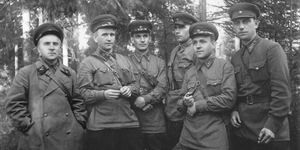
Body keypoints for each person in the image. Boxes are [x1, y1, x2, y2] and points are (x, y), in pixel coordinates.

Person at [5, 23, 87, 150]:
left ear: (60, 47)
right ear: (38, 48)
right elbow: (13, 103)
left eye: (55, 44)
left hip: (69, 138)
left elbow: (78, 102)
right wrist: (28, 127)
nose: (52, 47)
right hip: (38, 138)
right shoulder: (26, 73)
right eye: (46, 44)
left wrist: (79, 123)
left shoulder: (70, 73)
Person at [228, 3, 291, 150]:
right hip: (243, 129)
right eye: (237, 23)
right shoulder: (235, 57)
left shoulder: (272, 49)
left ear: (256, 23)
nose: (241, 26)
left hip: (269, 129)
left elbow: (282, 91)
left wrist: (272, 124)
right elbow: (235, 90)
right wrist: (234, 109)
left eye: (246, 21)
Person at [77, 14, 144, 150]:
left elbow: (136, 86)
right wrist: (104, 94)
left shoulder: (124, 60)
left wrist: (130, 90)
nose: (109, 38)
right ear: (95, 37)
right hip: (101, 126)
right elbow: (82, 94)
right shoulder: (87, 63)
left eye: (112, 35)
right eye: (105, 35)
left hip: (128, 123)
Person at [176, 22, 236, 150]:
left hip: (213, 139)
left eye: (202, 42)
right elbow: (179, 103)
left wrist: (197, 106)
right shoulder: (190, 72)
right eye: (195, 42)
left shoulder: (225, 67)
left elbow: (228, 99)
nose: (198, 46)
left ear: (213, 44)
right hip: (187, 138)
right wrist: (185, 102)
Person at [127, 20, 168, 150]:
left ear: (150, 38)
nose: (142, 40)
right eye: (138, 36)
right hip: (132, 119)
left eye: (145, 36)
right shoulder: (125, 62)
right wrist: (135, 101)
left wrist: (144, 99)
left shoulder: (159, 63)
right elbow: (121, 86)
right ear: (132, 39)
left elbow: (162, 88)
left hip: (155, 122)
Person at [164, 12, 198, 150]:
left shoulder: (196, 50)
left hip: (187, 105)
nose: (177, 31)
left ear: (192, 28)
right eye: (175, 27)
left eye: (182, 27)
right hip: (172, 106)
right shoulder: (175, 51)